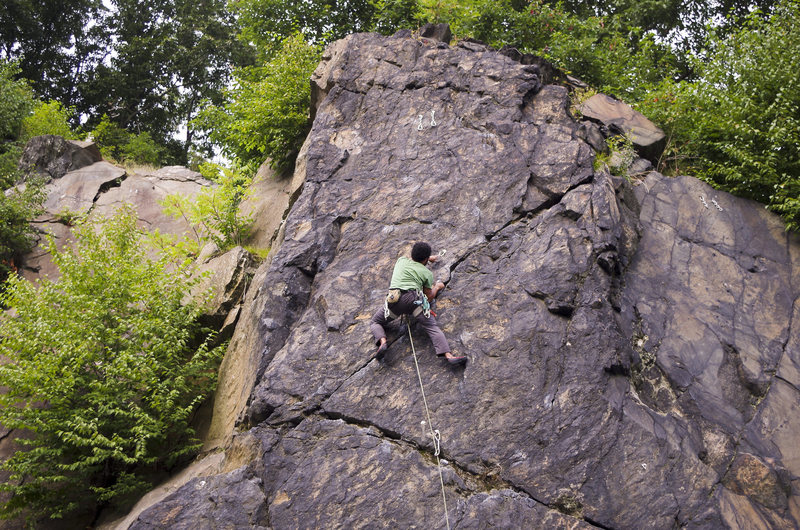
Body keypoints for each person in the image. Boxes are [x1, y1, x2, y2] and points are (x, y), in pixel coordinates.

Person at [370, 242, 467, 365]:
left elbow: (411, 259)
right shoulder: (427, 273)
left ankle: (383, 342)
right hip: (414, 301)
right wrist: (437, 287)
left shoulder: (401, 261)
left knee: (375, 322)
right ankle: (448, 355)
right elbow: (429, 297)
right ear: (426, 259)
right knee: (432, 327)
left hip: (394, 301)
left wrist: (427, 258)